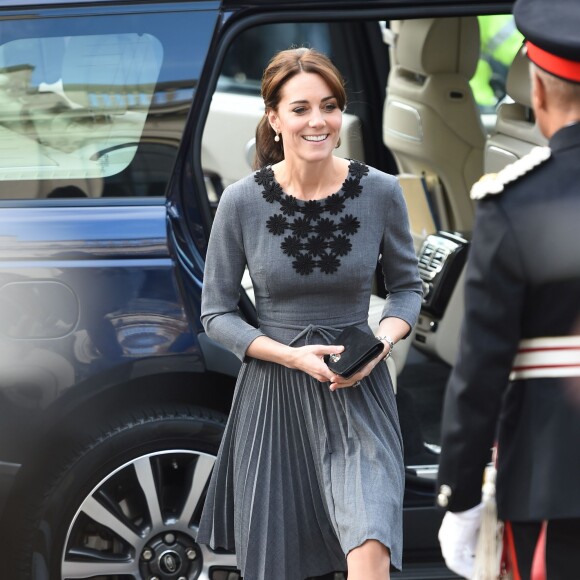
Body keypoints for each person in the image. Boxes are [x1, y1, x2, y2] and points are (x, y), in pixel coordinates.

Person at [196, 47, 422, 580]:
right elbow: (216, 313)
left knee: (371, 542)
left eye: (329, 106)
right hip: (274, 401)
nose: (317, 121)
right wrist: (291, 357)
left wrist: (381, 346)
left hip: (357, 391)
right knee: (280, 563)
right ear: (274, 118)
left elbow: (407, 290)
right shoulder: (241, 202)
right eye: (300, 108)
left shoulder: (382, 192)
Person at [436, 0, 580, 578]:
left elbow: (481, 370)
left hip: (555, 483)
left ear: (538, 94)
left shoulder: (513, 203)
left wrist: (462, 497)